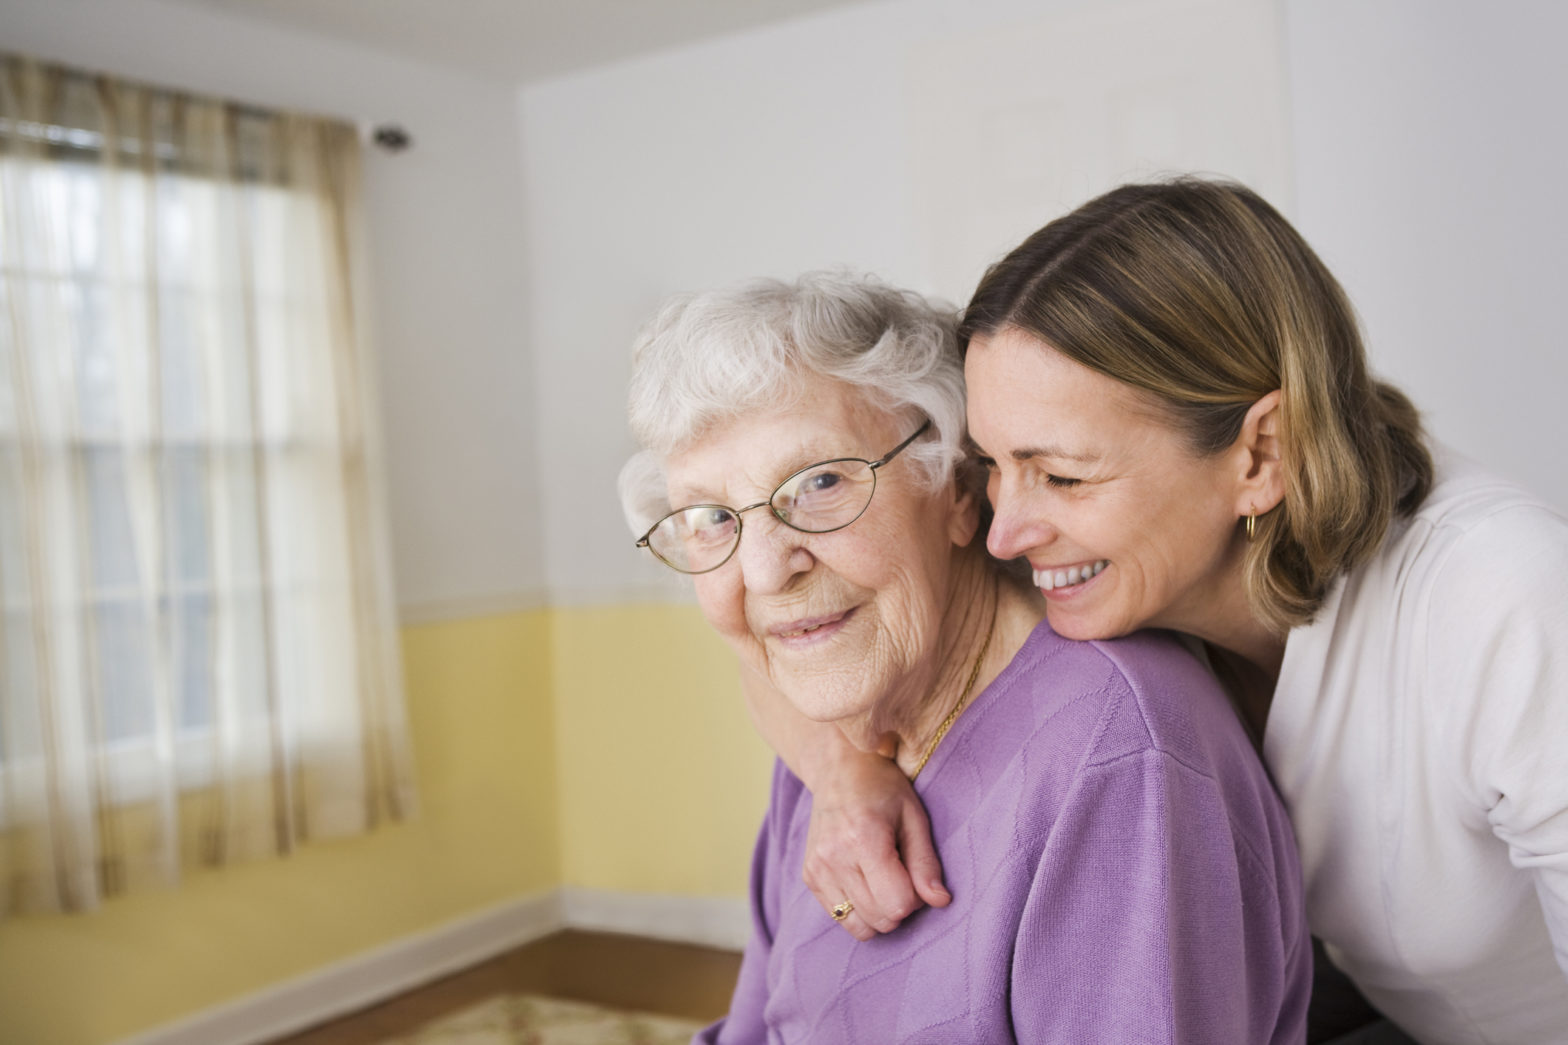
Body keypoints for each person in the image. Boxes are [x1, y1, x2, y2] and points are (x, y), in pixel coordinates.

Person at [768, 180, 1568, 1044]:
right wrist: (845, 768)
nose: (1005, 533)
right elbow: (761, 618)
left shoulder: (1502, 596)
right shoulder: (1098, 569)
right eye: (992, 465)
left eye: (1064, 475)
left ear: (1262, 452)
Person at [619, 272, 1310, 1043]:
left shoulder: (1119, 755)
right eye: (710, 516)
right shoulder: (838, 723)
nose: (765, 571)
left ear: (955, 487)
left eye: (819, 482)